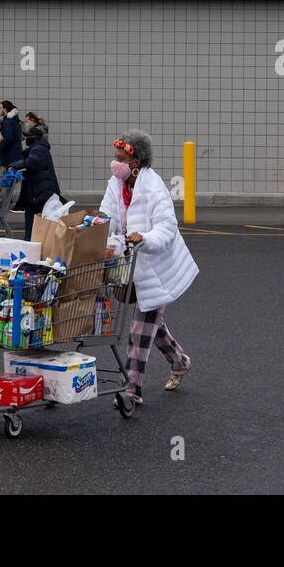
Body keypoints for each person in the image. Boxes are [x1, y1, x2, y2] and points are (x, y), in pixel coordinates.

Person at [99, 129, 197, 406]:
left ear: (135, 164)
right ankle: (180, 362)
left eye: (119, 158)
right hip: (132, 267)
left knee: (140, 331)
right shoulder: (116, 184)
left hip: (157, 269)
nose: (114, 162)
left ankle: (131, 392)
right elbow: (108, 215)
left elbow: (167, 228)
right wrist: (100, 232)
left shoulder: (153, 187)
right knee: (153, 326)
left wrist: (145, 238)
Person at [9, 124, 62, 240]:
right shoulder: (39, 148)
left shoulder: (38, 149)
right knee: (38, 220)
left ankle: (30, 242)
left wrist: (13, 166)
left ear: (36, 138)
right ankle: (32, 241)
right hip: (39, 190)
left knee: (33, 220)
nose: (27, 139)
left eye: (29, 136)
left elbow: (30, 163)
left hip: (39, 192)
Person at [0, 100, 23, 171]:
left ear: (5, 110)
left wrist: (1, 150)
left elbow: (8, 138)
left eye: (0, 108)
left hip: (9, 158)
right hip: (15, 156)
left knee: (4, 179)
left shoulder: (8, 122)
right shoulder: (15, 121)